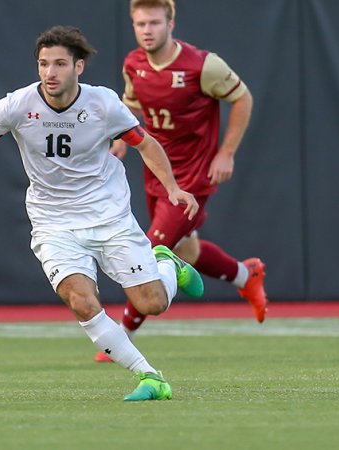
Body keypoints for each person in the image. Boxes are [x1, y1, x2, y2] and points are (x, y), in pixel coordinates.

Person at [0, 25, 204, 401]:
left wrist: (172, 188)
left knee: (152, 303)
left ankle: (168, 265)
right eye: (42, 64)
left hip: (109, 215)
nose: (49, 73)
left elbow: (145, 143)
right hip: (53, 222)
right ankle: (150, 376)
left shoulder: (103, 104)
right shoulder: (19, 104)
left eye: (59, 64)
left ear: (79, 67)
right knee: (81, 299)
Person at [94, 0, 268, 363]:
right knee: (186, 251)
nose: (147, 30)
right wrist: (119, 142)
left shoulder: (203, 65)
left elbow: (243, 98)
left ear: (171, 23)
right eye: (140, 23)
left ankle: (122, 336)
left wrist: (227, 152)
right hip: (158, 171)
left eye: (154, 22)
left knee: (150, 248)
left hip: (194, 176)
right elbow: (133, 106)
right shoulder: (133, 64)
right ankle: (244, 275)